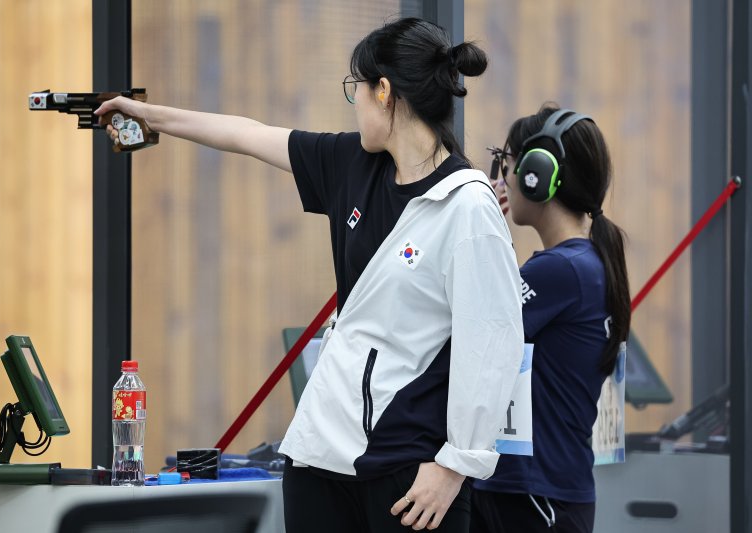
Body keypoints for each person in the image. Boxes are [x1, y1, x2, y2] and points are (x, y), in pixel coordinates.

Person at [96, 17, 524, 532]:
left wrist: (457, 465)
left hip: (411, 475)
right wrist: (147, 114)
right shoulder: (351, 162)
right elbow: (245, 133)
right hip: (318, 458)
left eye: (357, 89)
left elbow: (492, 344)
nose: (356, 102)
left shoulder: (466, 204)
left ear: (384, 92)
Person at [470, 104, 631, 533]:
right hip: (531, 491)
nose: (502, 177)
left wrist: (479, 226)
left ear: (536, 173)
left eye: (505, 164)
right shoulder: (582, 264)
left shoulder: (562, 270)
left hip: (533, 498)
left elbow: (470, 331)